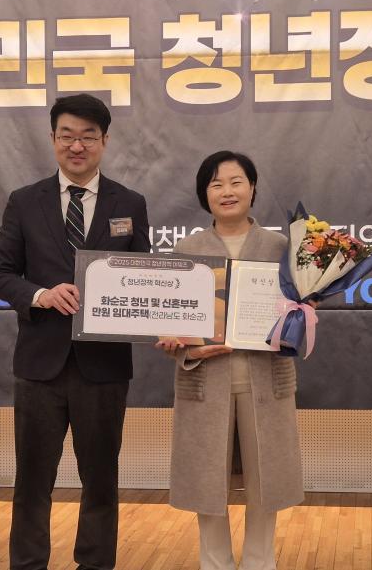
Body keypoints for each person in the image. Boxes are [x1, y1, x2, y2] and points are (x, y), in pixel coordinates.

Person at [0, 93, 151, 570]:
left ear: (104, 141)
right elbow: (0, 275)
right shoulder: (24, 201)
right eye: (67, 136)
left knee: (100, 479)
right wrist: (41, 295)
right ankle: (28, 563)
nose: (77, 146)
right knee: (32, 479)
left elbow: (145, 276)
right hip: (40, 364)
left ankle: (95, 564)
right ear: (53, 138)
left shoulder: (130, 203)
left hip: (104, 366)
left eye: (88, 137)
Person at [157, 151, 304, 570]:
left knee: (266, 483)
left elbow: (300, 318)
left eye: (236, 181)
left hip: (267, 381)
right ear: (204, 194)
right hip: (205, 382)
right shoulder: (187, 250)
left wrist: (300, 315)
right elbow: (173, 323)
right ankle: (214, 563)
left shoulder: (282, 249)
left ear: (252, 188)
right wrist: (180, 344)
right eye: (216, 183)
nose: (227, 191)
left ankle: (260, 562)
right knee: (207, 484)